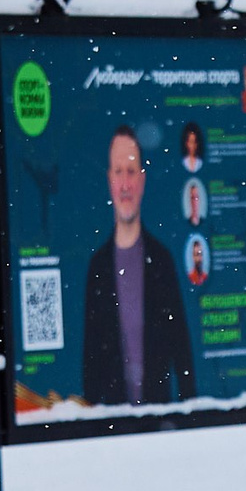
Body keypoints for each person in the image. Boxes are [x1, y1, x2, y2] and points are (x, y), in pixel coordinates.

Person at [81, 126, 195, 407]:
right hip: (113, 431)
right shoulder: (98, 268)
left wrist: (191, 414)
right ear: (109, 180)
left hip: (159, 424)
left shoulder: (161, 260)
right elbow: (91, 359)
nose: (125, 183)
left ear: (142, 181)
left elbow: (181, 346)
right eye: (118, 172)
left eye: (131, 172)